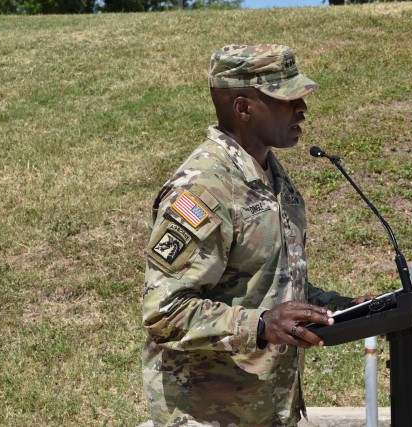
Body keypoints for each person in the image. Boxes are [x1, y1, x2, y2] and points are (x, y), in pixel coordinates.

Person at [141, 44, 373, 427]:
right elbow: (165, 312)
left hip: (268, 408)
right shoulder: (204, 190)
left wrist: (345, 308)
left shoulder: (274, 179)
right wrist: (262, 325)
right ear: (244, 108)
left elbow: (268, 287)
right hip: (208, 413)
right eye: (286, 98)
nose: (302, 108)